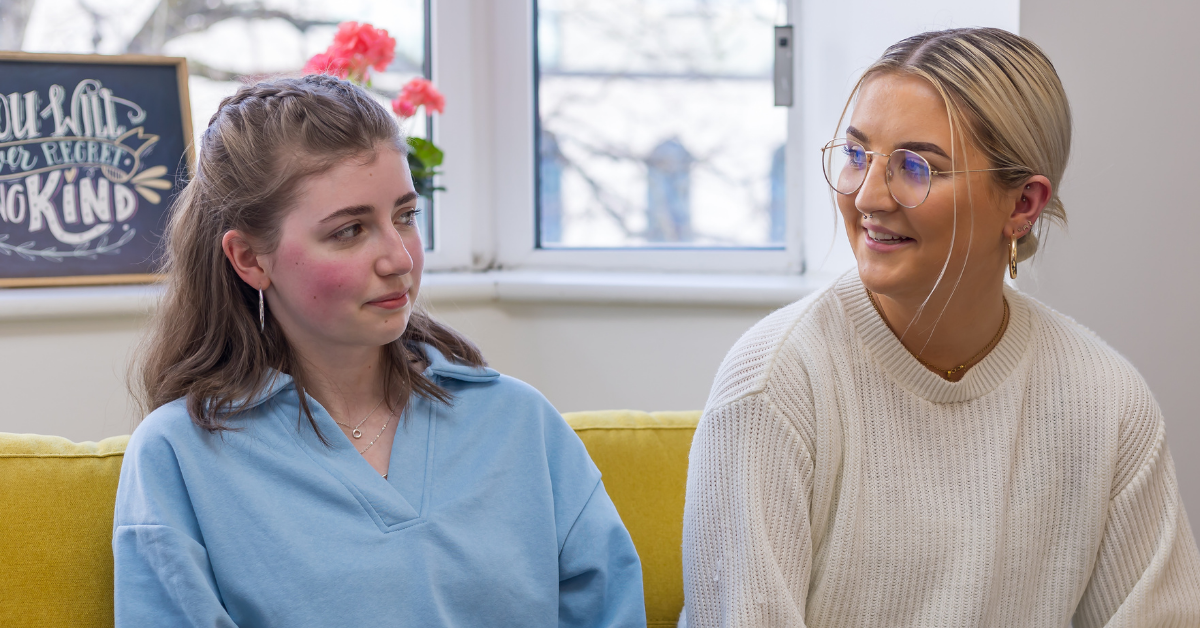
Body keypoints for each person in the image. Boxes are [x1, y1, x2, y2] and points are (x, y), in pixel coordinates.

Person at [681, 27, 1200, 627]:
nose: (868, 197)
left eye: (914, 167)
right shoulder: (772, 388)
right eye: (856, 156)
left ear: (1023, 204)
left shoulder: (1109, 406)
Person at [113, 75, 646, 627]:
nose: (399, 258)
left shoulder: (520, 422)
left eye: (405, 217)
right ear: (250, 258)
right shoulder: (178, 456)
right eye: (349, 231)